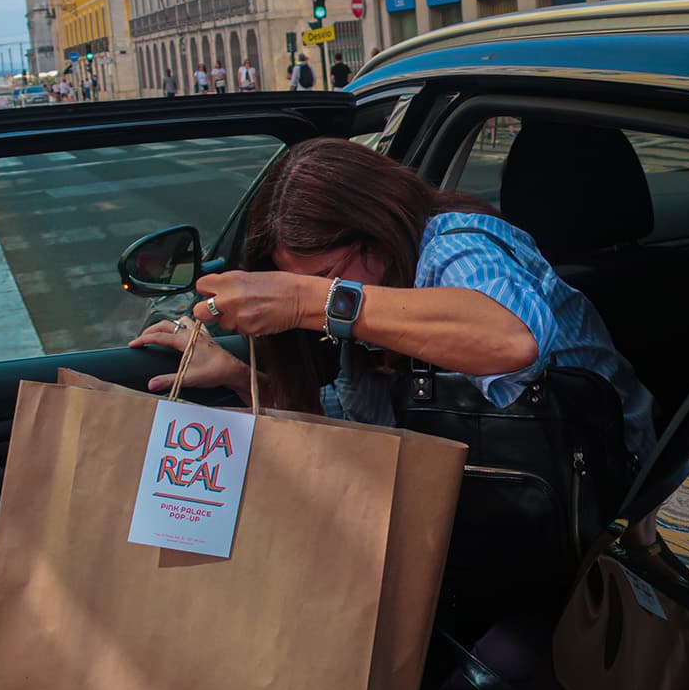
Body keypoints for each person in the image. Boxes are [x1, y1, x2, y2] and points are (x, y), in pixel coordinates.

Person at [130, 136, 655, 501]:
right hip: (495, 510)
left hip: (603, 507)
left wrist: (313, 300)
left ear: (376, 231)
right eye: (307, 282)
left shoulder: (456, 246)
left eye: (329, 274)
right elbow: (348, 430)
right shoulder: (366, 323)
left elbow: (513, 341)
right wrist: (233, 375)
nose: (320, 303)